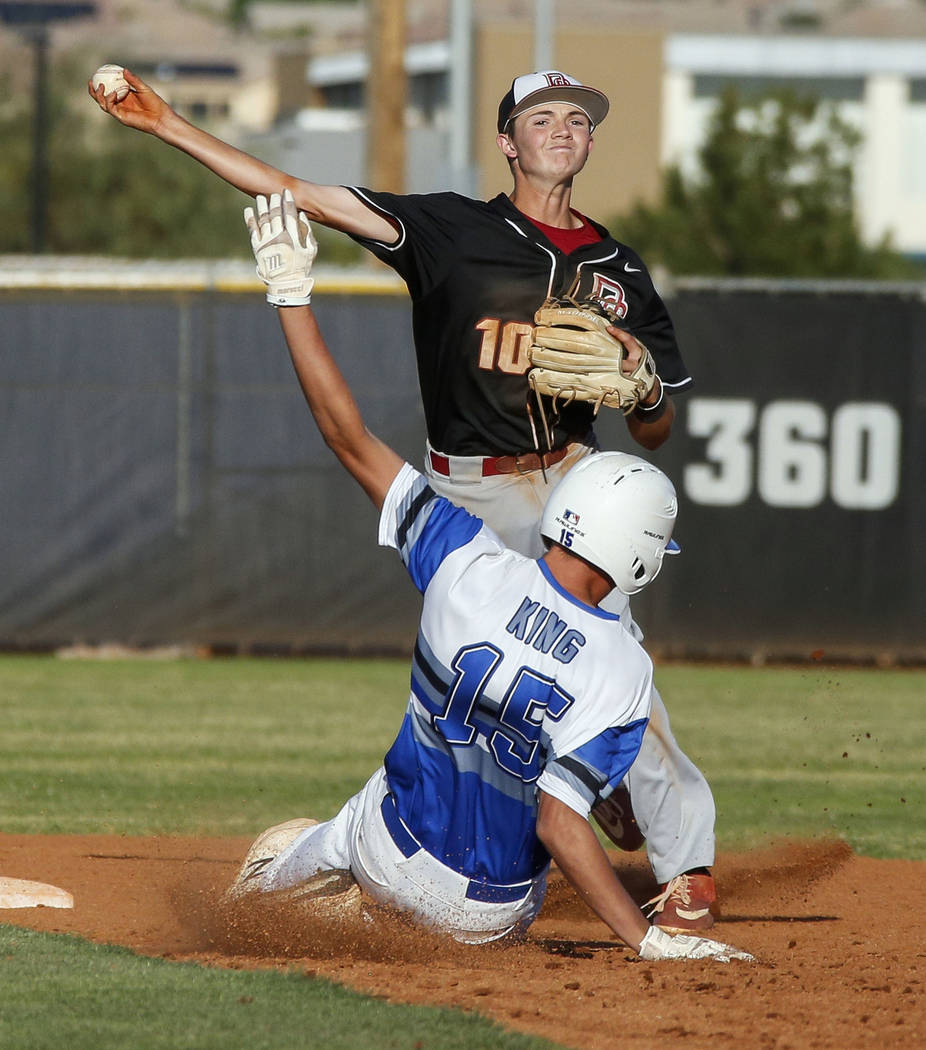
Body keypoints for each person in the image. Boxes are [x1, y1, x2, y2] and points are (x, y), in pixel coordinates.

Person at [90, 67, 717, 933]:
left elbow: (656, 432)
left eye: (579, 117)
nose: (563, 129)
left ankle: (685, 865)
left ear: (591, 141)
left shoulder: (621, 271)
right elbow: (297, 192)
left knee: (623, 674)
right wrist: (168, 125)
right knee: (501, 656)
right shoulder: (450, 228)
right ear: (508, 140)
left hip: (576, 477)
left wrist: (646, 391)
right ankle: (570, 790)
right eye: (541, 117)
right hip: (477, 482)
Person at [227, 189, 752, 965]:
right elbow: (560, 825)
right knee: (549, 781)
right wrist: (646, 941)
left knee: (337, 824)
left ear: (561, 512)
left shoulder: (464, 561)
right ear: (639, 562)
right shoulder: (624, 670)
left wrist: (290, 293)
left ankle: (277, 888)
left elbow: (347, 436)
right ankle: (370, 909)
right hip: (492, 921)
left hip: (389, 852)